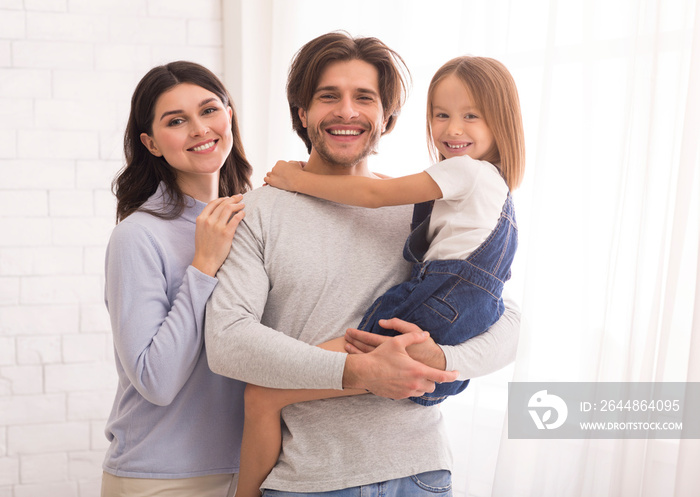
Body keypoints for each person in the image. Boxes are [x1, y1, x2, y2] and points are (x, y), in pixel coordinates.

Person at [205, 32, 520, 497]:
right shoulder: (256, 213)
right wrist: (359, 372)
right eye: (328, 96)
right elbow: (228, 343)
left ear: (388, 117)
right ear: (301, 112)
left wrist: (444, 359)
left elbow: (506, 320)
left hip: (422, 474)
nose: (347, 112)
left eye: (364, 98)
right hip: (311, 483)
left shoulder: (423, 205)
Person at [102, 61, 252, 497]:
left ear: (229, 115)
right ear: (150, 142)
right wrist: (202, 266)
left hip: (255, 468)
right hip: (161, 478)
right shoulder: (138, 236)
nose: (199, 129)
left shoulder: (252, 221)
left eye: (208, 111)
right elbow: (155, 380)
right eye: (176, 121)